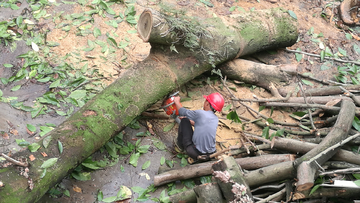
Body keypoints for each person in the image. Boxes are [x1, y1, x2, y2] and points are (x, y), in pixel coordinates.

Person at [173, 92, 224, 163]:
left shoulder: (200, 113)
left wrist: (176, 101)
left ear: (207, 104)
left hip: (196, 153)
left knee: (184, 121)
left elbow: (182, 111)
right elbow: (203, 126)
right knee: (187, 121)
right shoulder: (215, 119)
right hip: (211, 153)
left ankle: (180, 146)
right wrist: (191, 122)